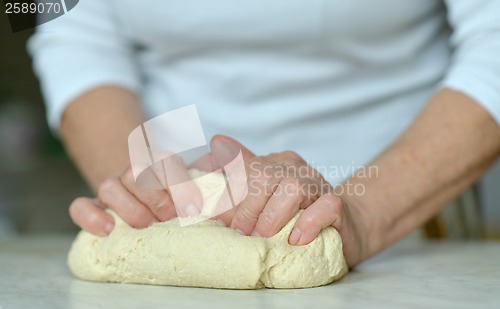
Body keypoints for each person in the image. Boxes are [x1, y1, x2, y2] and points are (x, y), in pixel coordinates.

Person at [29, 0, 500, 268]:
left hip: (401, 204)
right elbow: (69, 28)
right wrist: (151, 188)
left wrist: (363, 211)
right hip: (180, 189)